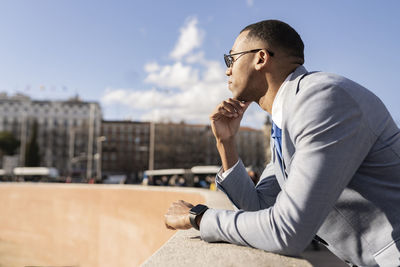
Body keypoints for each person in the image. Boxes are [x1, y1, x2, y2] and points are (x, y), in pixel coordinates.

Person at [164, 19, 400, 266]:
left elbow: (288, 231)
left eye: (231, 59)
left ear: (261, 58)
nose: (227, 70)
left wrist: (199, 218)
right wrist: (226, 143)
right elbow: (258, 210)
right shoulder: (285, 121)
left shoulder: (322, 100)